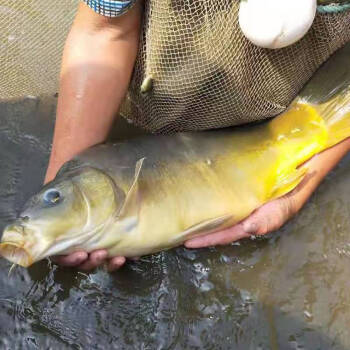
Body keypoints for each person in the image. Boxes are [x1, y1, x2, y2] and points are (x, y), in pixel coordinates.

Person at [46, 1, 350, 271]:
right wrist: (68, 178)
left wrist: (298, 188)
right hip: (156, 110)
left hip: (296, 103)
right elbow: (103, 32)